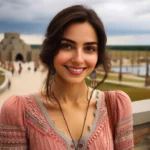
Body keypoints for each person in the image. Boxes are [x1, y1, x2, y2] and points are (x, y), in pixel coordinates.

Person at [0, 5, 134, 150]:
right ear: (51, 50)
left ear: (97, 55)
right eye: (67, 46)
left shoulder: (116, 106)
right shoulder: (18, 111)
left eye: (89, 48)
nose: (78, 59)